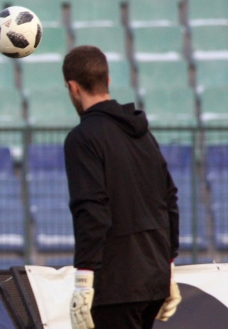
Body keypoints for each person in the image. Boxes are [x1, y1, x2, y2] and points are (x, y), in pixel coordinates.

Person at [62, 46, 182, 329]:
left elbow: (92, 211)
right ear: (108, 81)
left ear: (73, 87)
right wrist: (169, 266)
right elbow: (170, 199)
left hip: (116, 286)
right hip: (154, 279)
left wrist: (83, 282)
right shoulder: (142, 132)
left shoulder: (82, 139)